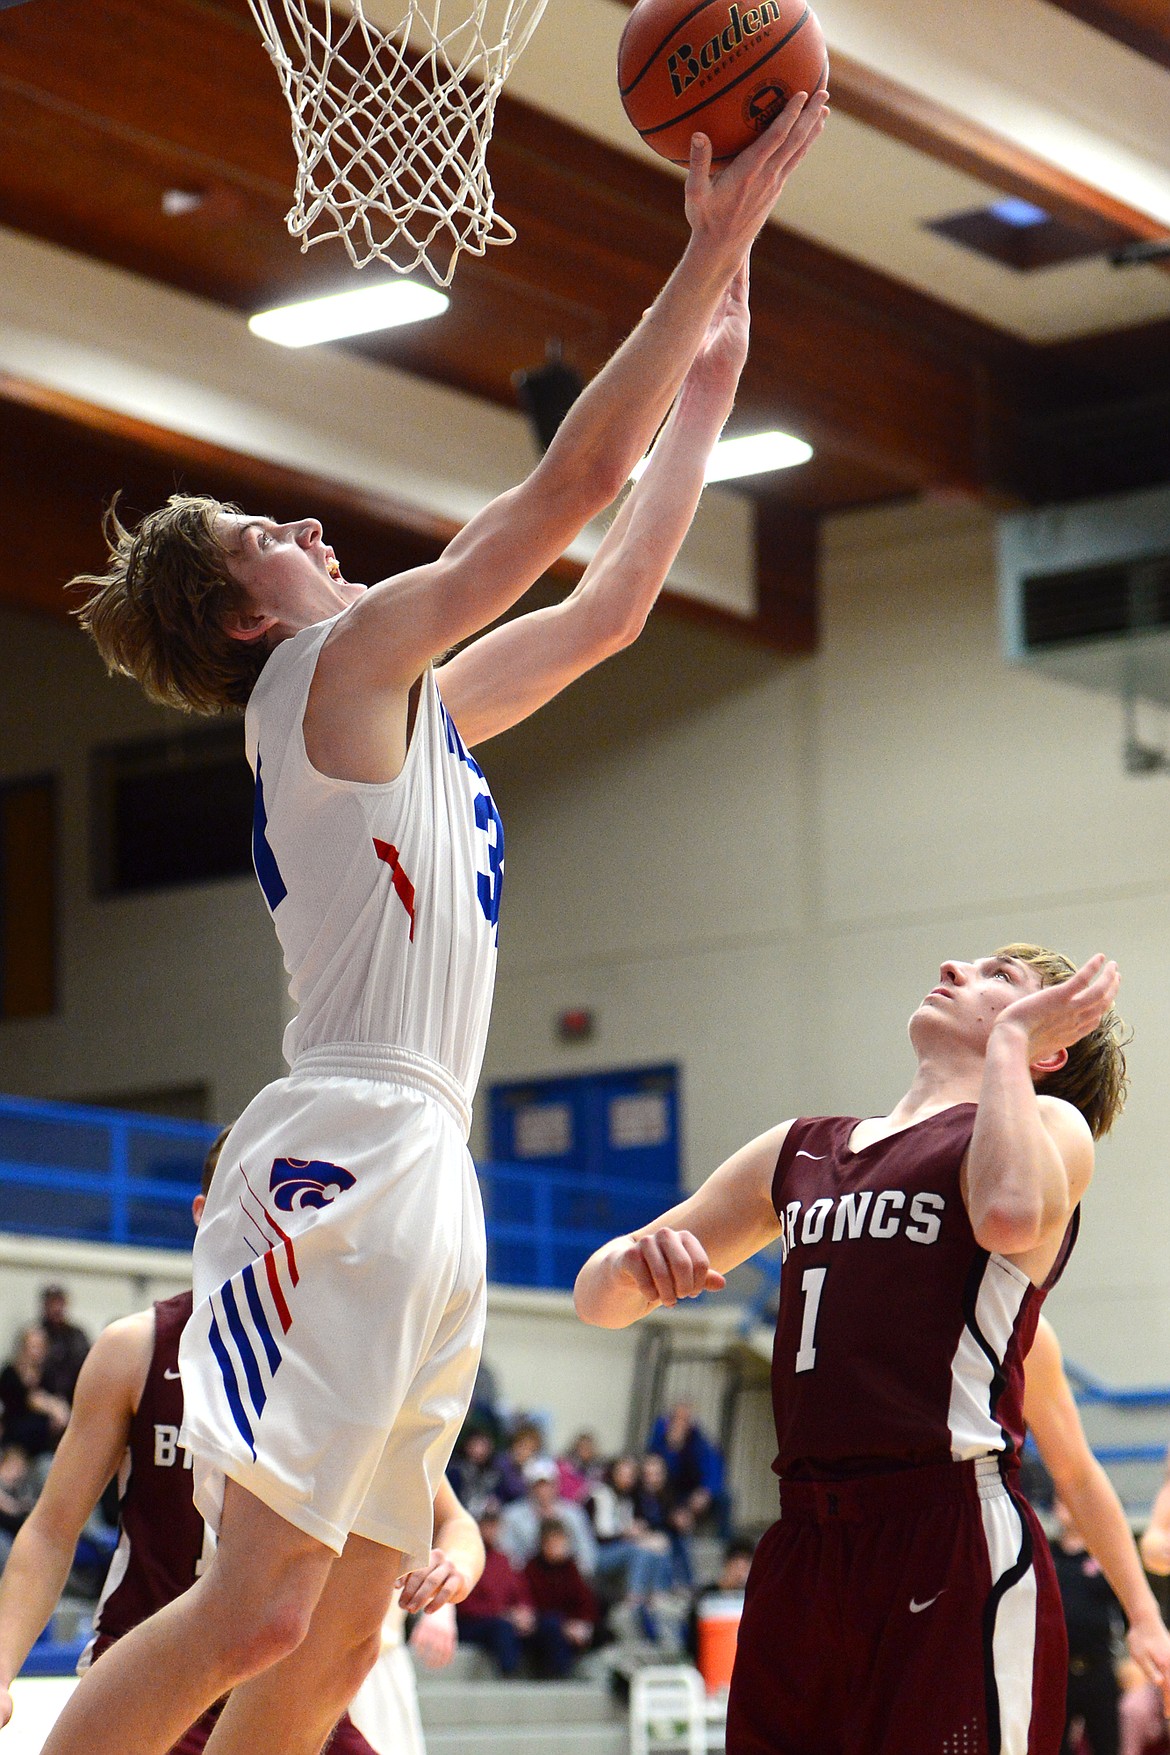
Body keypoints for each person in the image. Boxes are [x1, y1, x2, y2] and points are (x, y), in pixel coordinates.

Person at [53, 87, 827, 1755]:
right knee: (250, 1610)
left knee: (334, 1663)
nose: (315, 530)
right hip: (336, 1144)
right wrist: (702, 258)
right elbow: (560, 499)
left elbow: (609, 604)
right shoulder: (318, 676)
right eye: (280, 532)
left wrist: (710, 381)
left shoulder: (407, 706)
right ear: (251, 610)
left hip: (433, 1164)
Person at [576, 944, 1127, 1754]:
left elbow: (1008, 1216)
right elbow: (598, 1302)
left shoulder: (1050, 1126)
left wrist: (1006, 1045)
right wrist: (632, 1263)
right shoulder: (802, 1148)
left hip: (947, 1529)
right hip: (802, 1541)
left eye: (1000, 978)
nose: (955, 965)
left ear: (1050, 1046)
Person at [0, 1135, 482, 1754]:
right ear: (208, 1214)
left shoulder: (346, 1370)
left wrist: (455, 1567)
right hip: (155, 1673)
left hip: (280, 1689)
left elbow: (455, 1523)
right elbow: (51, 1529)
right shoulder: (136, 1347)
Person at [1022, 1313, 1170, 1755]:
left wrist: (1143, 1620)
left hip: (1100, 1668)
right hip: (1061, 1669)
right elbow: (1155, 1547)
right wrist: (1145, 1621)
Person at [454, 1507, 535, 1677]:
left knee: (544, 1625)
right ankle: (510, 1674)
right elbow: (464, 1605)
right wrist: (503, 1614)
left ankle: (552, 1674)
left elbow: (520, 1592)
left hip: (502, 1620)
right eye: (487, 1525)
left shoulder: (504, 1560)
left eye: (495, 1525)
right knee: (502, 1628)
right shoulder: (466, 1557)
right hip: (471, 1624)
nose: (491, 1530)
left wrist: (524, 1611)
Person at [523, 1518, 598, 1679]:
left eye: (561, 1542)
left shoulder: (571, 1568)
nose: (559, 1547)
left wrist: (581, 1623)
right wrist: (566, 1626)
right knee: (552, 1625)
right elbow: (535, 1607)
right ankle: (560, 1677)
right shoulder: (532, 1569)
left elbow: (584, 1601)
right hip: (541, 1628)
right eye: (554, 1542)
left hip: (569, 1627)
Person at [500, 1462, 597, 1575]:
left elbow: (586, 1550)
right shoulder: (511, 1515)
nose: (543, 1490)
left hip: (568, 1577)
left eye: (547, 1484)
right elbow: (506, 1552)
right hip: (528, 1579)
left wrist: (577, 1575)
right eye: (538, 1485)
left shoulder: (574, 1513)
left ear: (556, 1485)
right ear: (529, 1487)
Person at [0, 1329, 69, 1460]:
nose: (35, 1351)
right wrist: (50, 1406)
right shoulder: (10, 1373)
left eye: (40, 1346)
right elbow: (30, 1401)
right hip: (15, 1445)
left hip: (43, 1446)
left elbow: (61, 1410)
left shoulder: (48, 1374)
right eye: (32, 1346)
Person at [35, 1288, 90, 1406]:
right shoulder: (36, 1334)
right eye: (52, 1303)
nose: (56, 1308)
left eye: (59, 1303)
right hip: (44, 1399)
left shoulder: (77, 1335)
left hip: (74, 1397)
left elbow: (86, 1364)